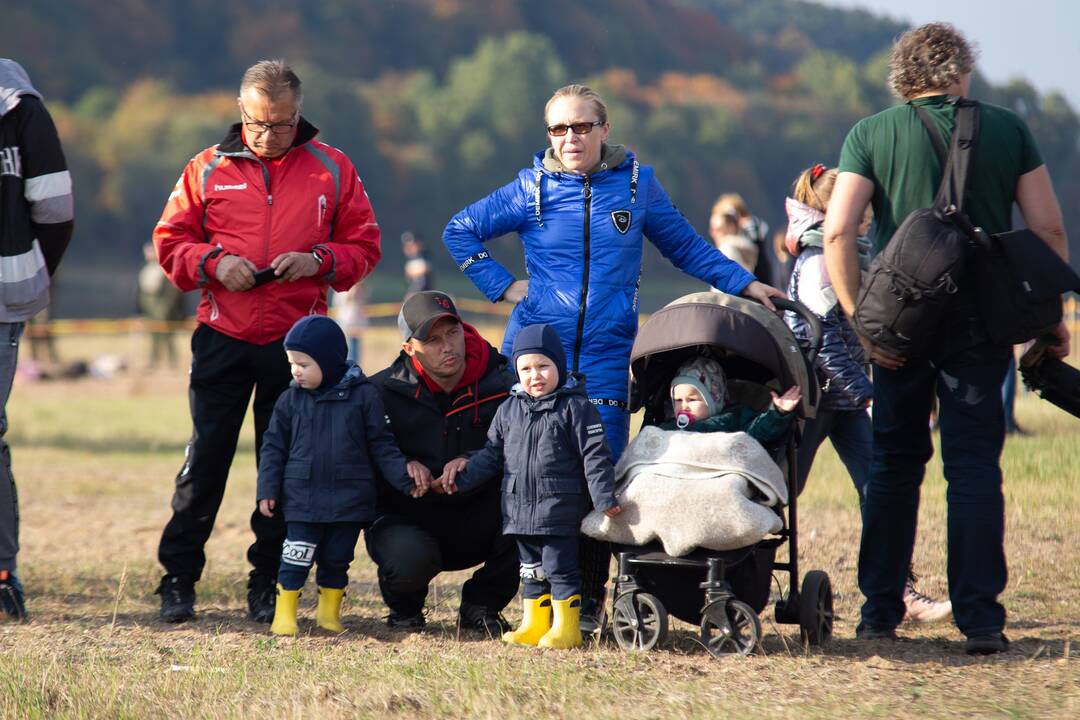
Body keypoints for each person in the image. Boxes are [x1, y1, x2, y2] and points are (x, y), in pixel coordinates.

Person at [442, 84, 782, 631]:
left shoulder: (637, 185)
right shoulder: (531, 189)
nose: (570, 137)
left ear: (605, 128)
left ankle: (589, 604)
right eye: (558, 128)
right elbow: (460, 230)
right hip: (535, 360)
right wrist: (503, 287)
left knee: (600, 480)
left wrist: (746, 285)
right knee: (528, 481)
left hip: (604, 360)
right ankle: (503, 601)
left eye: (581, 126)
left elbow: (688, 247)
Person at [822, 23, 1070, 654]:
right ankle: (982, 619)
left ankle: (879, 611)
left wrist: (861, 319)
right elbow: (1048, 232)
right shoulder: (1007, 128)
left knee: (894, 465)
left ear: (902, 78)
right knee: (973, 468)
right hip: (981, 322)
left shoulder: (870, 133)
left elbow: (838, 233)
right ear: (962, 71)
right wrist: (1051, 322)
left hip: (900, 325)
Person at [152, 59, 383, 624]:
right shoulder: (205, 168)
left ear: (298, 115)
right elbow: (170, 243)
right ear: (240, 112)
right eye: (257, 124)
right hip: (222, 336)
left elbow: (364, 247)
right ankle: (178, 580)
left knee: (285, 470)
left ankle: (269, 584)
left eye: (280, 125)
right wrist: (213, 263)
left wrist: (318, 261)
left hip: (297, 344)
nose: (267, 136)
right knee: (205, 461)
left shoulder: (333, 168)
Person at [785, 163, 951, 623]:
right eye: (862, 204)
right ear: (840, 208)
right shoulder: (821, 261)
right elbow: (817, 343)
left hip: (845, 402)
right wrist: (867, 395)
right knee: (778, 494)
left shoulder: (843, 253)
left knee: (878, 492)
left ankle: (899, 592)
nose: (869, 212)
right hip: (815, 401)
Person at [440, 323, 621, 649]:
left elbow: (596, 456)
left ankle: (566, 627)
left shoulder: (577, 408)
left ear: (559, 367)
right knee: (531, 570)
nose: (535, 375)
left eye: (543, 366)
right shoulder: (509, 410)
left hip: (558, 509)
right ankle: (534, 623)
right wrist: (461, 481)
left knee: (559, 568)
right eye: (526, 368)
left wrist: (603, 496)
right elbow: (491, 455)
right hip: (519, 509)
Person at [256, 316, 429, 636]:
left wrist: (403, 478)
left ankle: (328, 614)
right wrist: (268, 488)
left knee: (336, 560)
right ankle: (285, 613)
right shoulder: (290, 399)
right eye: (292, 363)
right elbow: (272, 447)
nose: (296, 371)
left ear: (329, 360)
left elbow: (381, 444)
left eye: (304, 364)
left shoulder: (363, 397)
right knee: (295, 556)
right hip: (302, 499)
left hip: (349, 502)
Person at [365, 291, 519, 635]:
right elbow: (365, 459)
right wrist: (402, 467)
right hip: (408, 515)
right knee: (407, 557)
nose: (447, 346)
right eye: (432, 340)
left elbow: (529, 448)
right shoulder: (378, 392)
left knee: (536, 510)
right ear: (409, 348)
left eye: (452, 333)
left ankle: (482, 605)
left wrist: (475, 460)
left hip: (479, 513)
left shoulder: (506, 384)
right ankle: (406, 609)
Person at [0, 59, 74, 621]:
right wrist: (24, 272)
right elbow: (54, 214)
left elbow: (53, 212)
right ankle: (2, 579)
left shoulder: (20, 106)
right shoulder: (22, 105)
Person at [660, 356, 799, 447]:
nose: (684, 406)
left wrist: (778, 412)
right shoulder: (669, 427)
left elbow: (758, 432)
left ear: (714, 399)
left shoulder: (733, 418)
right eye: (678, 400)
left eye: (692, 400)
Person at [137, 242, 186, 370]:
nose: (147, 254)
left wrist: (166, 308)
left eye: (150, 251)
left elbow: (173, 292)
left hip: (164, 308)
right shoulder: (146, 269)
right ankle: (154, 361)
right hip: (149, 307)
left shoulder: (165, 268)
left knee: (168, 335)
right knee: (154, 335)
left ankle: (173, 362)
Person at [708, 203, 757, 274]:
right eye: (712, 229)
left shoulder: (727, 249)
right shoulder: (746, 245)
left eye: (718, 229)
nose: (713, 233)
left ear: (731, 227)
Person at [330, 282, 367, 363]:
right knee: (346, 350)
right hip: (345, 322)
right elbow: (340, 303)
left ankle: (353, 370)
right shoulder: (342, 291)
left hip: (354, 323)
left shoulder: (360, 290)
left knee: (354, 350)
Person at [401, 231, 433, 299]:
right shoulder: (410, 259)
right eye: (407, 246)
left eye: (412, 245)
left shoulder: (424, 255)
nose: (409, 248)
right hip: (414, 294)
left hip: (424, 295)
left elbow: (426, 269)